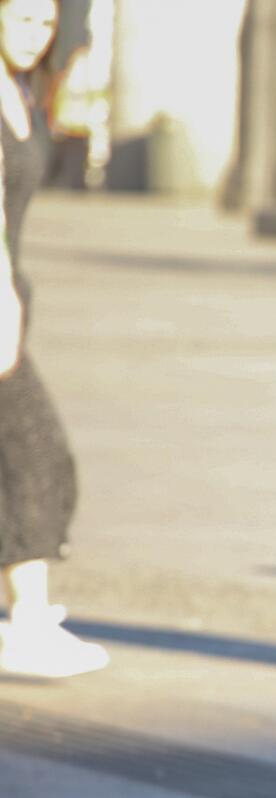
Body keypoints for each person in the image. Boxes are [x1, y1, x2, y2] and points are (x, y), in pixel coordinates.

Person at [0, 0, 102, 679]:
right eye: (22, 19)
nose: (35, 36)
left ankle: (27, 618)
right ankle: (28, 621)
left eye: (45, 24)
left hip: (11, 292)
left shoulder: (23, 92)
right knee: (35, 451)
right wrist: (3, 294)